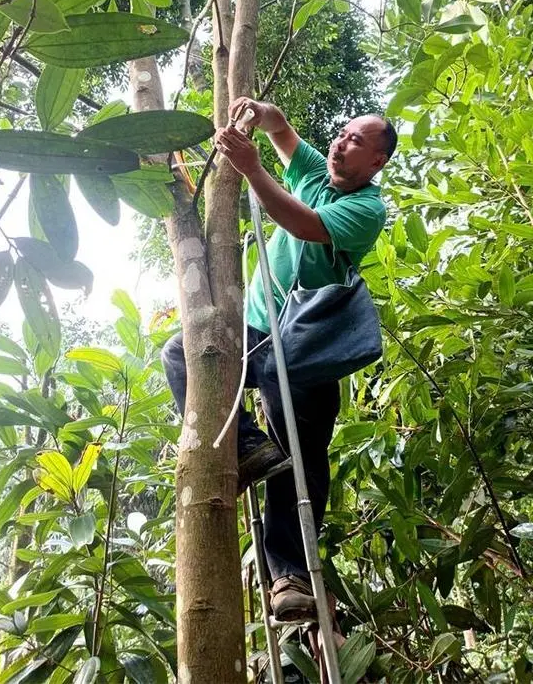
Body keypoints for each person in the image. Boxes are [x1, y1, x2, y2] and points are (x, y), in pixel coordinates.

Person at [162, 97, 396, 621]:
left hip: (310, 345)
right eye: (343, 133)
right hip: (262, 326)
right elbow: (283, 128)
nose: (341, 142)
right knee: (181, 353)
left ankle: (289, 574)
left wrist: (252, 169)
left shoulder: (367, 208)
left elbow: (302, 223)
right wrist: (260, 112)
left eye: (358, 140)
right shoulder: (316, 169)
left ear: (377, 162)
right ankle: (247, 444)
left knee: (303, 456)